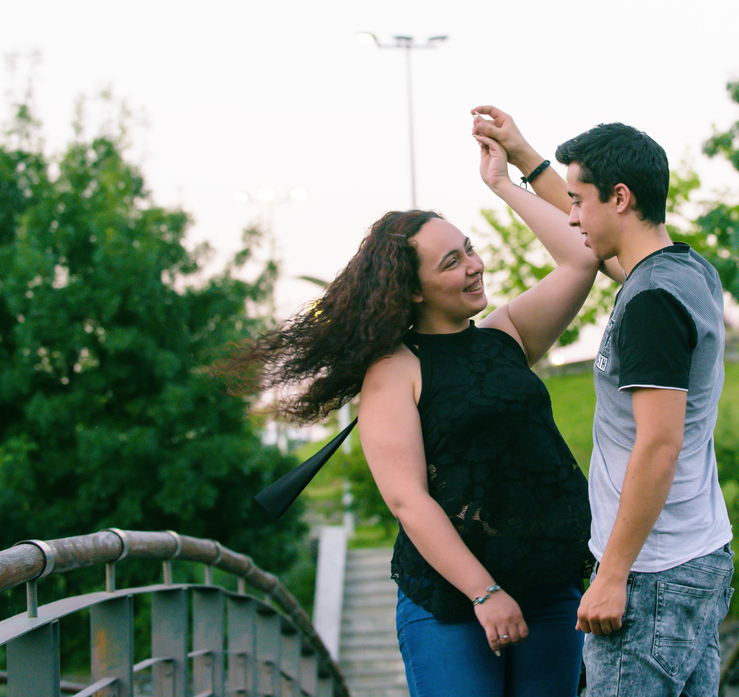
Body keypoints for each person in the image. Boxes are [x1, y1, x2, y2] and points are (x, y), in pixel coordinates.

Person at [230, 131, 599, 696]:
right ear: (416, 290)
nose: (475, 266)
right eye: (453, 262)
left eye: (470, 248)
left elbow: (580, 256)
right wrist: (485, 593)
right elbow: (408, 498)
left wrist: (504, 181)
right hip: (455, 603)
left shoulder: (507, 335)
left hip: (550, 590)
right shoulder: (393, 370)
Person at [474, 106, 734, 697]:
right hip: (697, 556)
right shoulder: (687, 272)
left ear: (619, 198)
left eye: (578, 200)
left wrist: (613, 575)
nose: (570, 216)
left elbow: (659, 443)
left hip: (653, 573)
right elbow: (592, 246)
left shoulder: (651, 303)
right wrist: (518, 162)